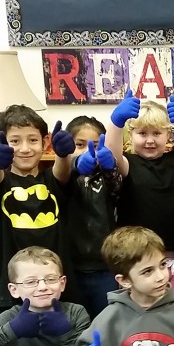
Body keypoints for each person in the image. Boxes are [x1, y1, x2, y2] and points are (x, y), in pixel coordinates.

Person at [0, 104, 78, 315]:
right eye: (15, 141)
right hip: (13, 295)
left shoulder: (51, 180)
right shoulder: (1, 182)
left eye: (33, 140)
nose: (24, 148)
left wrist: (63, 155)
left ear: (45, 143)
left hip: (57, 290)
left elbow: (62, 174)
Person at [107, 92, 174, 303]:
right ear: (131, 134)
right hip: (137, 259)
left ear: (168, 134)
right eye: (142, 133)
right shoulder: (128, 164)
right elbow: (111, 157)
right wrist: (115, 122)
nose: (150, 140)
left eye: (157, 133)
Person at [63, 116, 121, 319]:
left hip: (103, 266)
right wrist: (76, 164)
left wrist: (110, 166)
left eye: (94, 146)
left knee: (105, 322)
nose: (87, 150)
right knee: (75, 325)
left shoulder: (107, 176)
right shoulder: (63, 176)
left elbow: (118, 188)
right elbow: (62, 178)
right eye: (79, 144)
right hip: (70, 267)